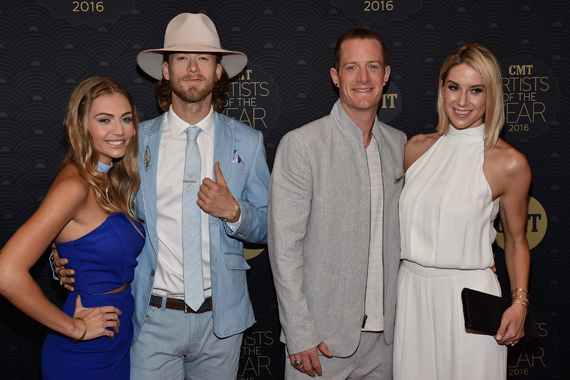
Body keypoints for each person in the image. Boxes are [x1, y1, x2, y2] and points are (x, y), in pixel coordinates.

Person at [56, 12, 269, 379]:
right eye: (181, 58)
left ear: (219, 71)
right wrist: (61, 260)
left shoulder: (248, 143)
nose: (192, 67)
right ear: (165, 71)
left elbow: (267, 226)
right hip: (150, 318)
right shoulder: (132, 141)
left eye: (203, 58)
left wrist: (234, 212)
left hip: (222, 321)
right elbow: (90, 209)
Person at [268, 28, 406, 379]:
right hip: (320, 344)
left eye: (373, 66)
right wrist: (299, 333)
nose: (363, 77)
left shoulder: (400, 145)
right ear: (335, 76)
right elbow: (284, 248)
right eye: (351, 67)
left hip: (387, 343)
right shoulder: (302, 145)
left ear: (386, 75)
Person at [393, 42, 531, 379]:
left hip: (471, 299)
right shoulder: (415, 148)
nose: (463, 101)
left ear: (491, 95)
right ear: (442, 89)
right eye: (454, 87)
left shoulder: (509, 163)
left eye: (476, 90)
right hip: (412, 292)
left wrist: (520, 302)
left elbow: (515, 241)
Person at [0, 76, 145, 379]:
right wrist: (75, 329)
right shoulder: (74, 186)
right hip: (83, 350)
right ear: (80, 126)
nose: (119, 130)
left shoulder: (109, 179)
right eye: (104, 120)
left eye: (126, 119)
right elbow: (6, 272)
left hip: (115, 338)